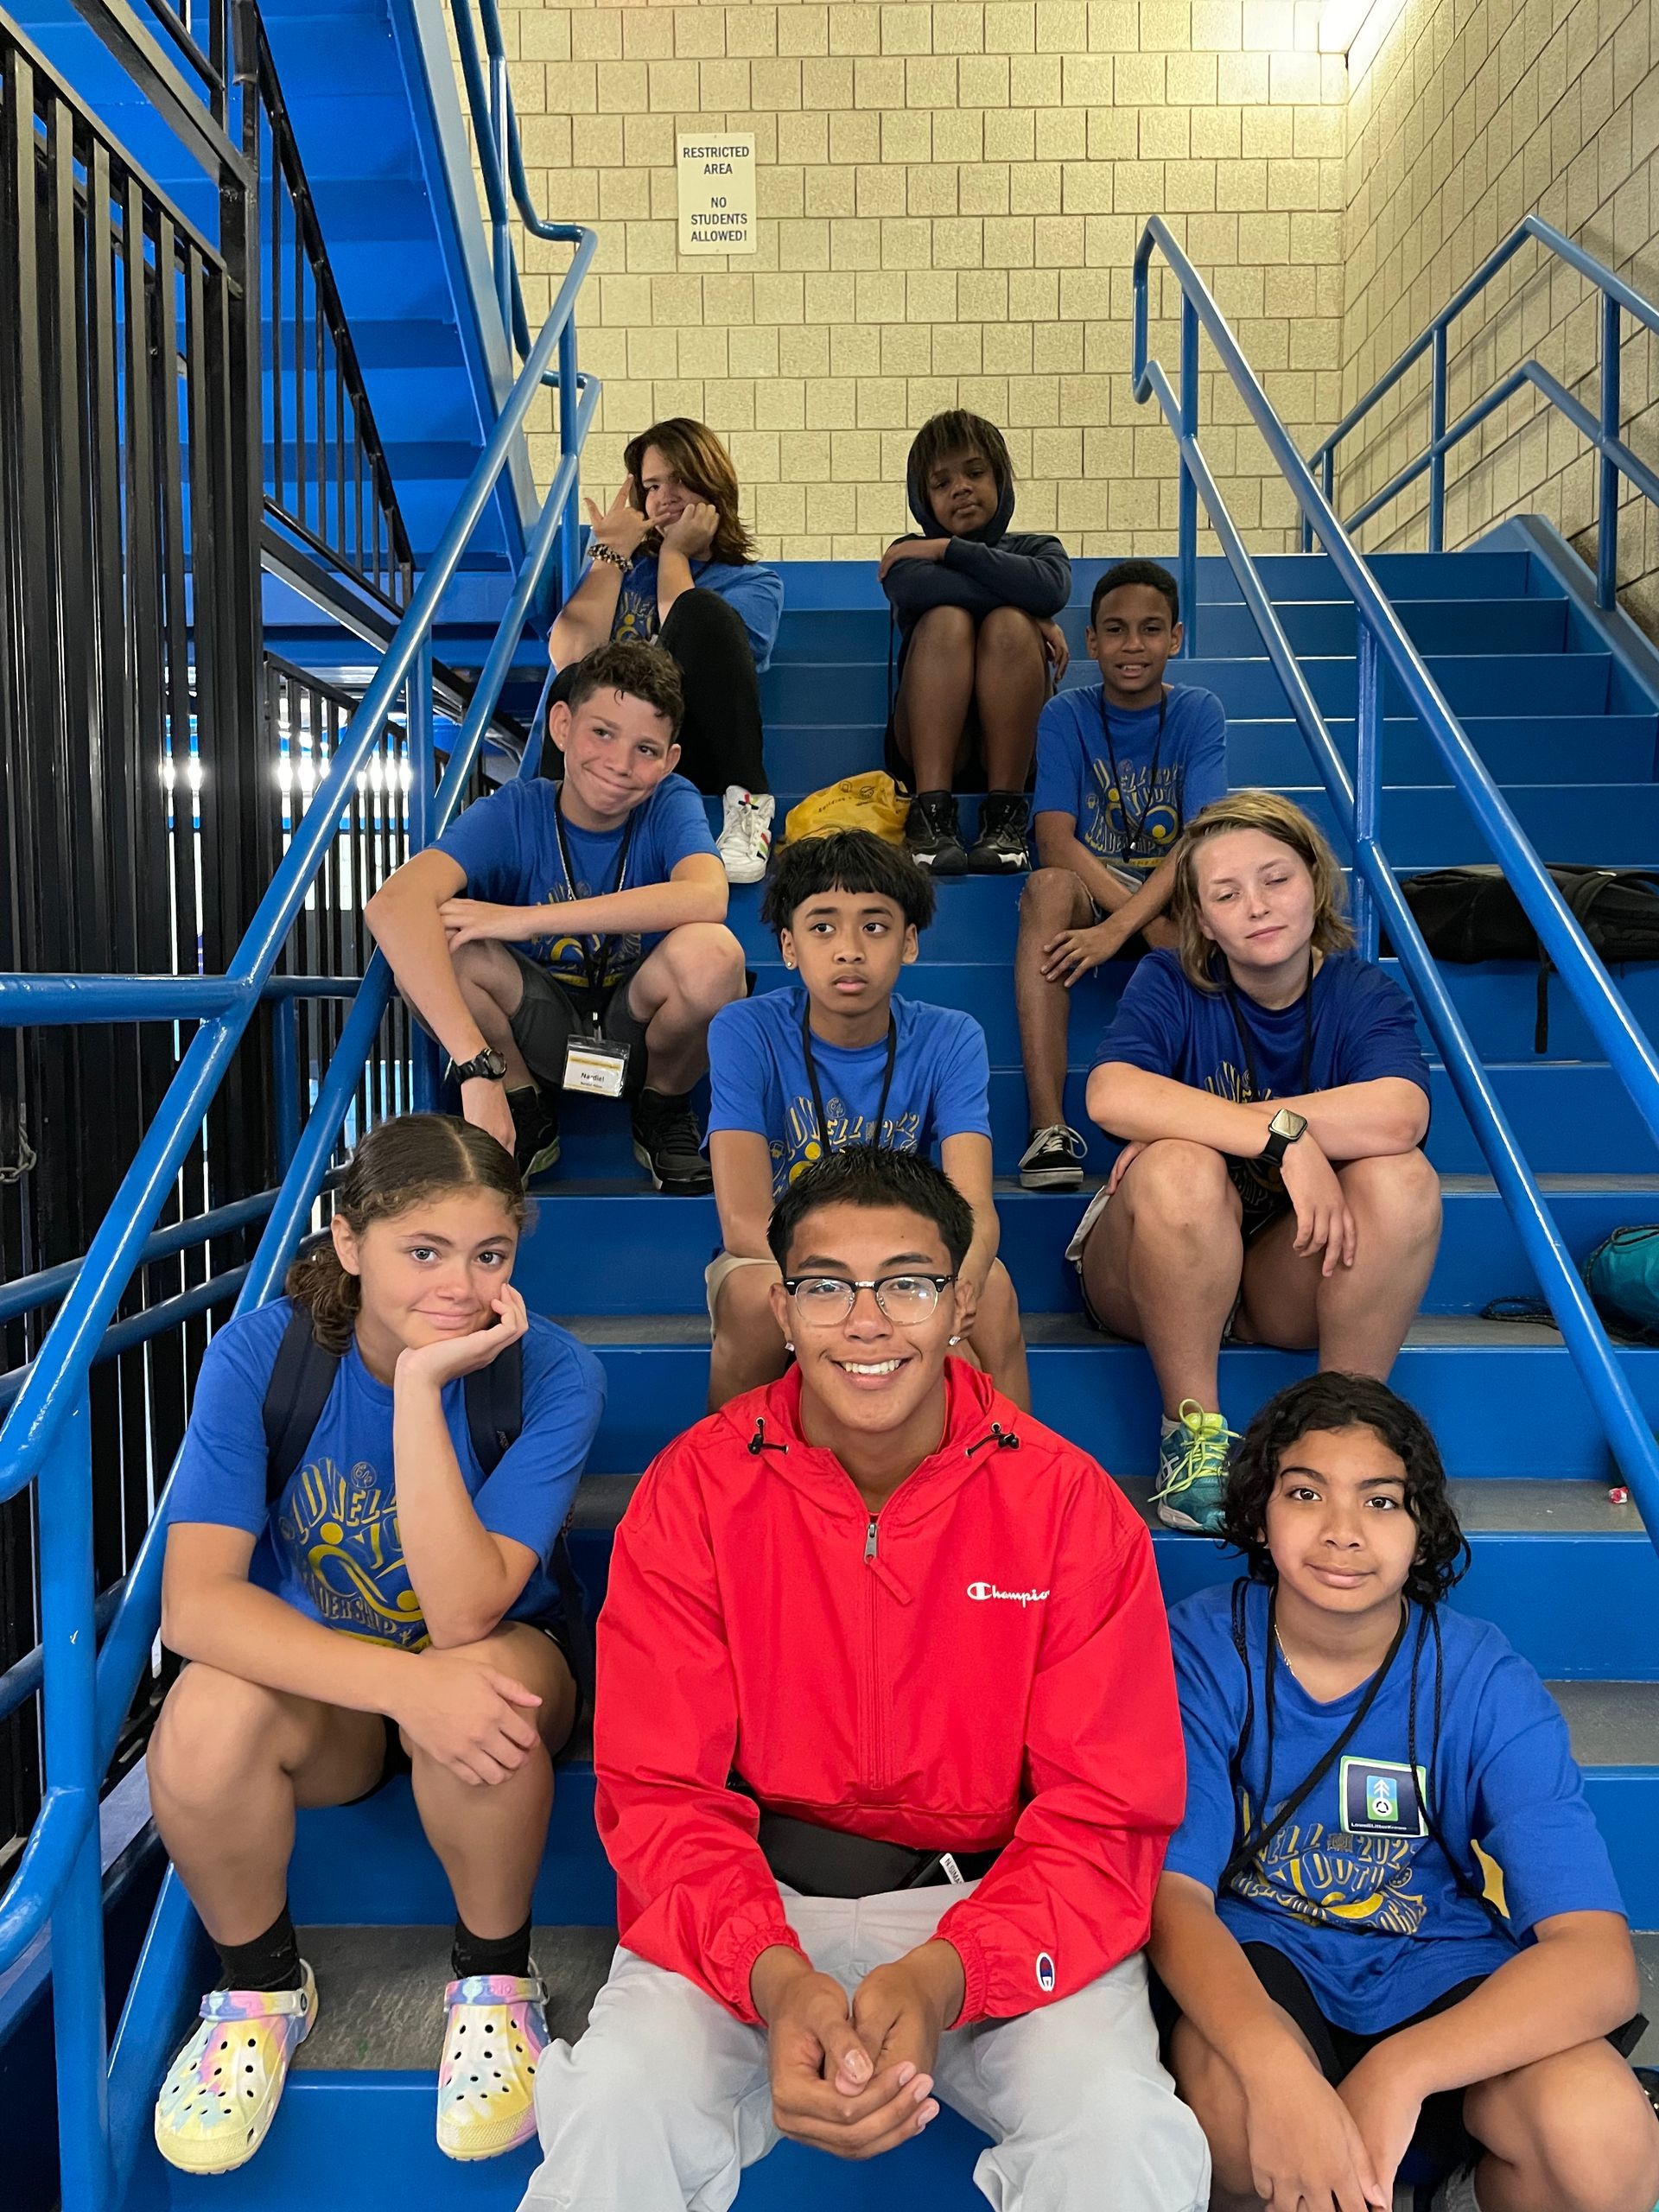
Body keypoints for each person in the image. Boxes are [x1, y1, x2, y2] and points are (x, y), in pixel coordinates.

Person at [516, 1147, 1209, 2212]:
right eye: (828, 1285)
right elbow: (660, 1795)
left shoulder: (1068, 1505)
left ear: (962, 1301)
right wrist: (772, 1972)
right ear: (783, 1310)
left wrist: (947, 1973)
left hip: (991, 1902)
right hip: (748, 1905)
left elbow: (1107, 1815)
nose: (869, 1320)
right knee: (611, 2105)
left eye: (909, 1281)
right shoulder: (692, 1492)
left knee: (1124, 2136)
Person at [149, 1115, 607, 2174]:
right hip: (340, 1694)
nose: (459, 1284)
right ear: (350, 1244)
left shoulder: (553, 1373)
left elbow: (464, 1613)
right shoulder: (263, 1355)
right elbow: (198, 1608)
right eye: (424, 1251)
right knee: (208, 1709)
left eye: (489, 1255)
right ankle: (259, 1989)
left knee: (477, 1682)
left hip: (503, 1653)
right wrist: (405, 1690)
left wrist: (417, 1386)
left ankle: (496, 1981)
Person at [1153, 1372, 1659, 2212]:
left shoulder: (1481, 1675)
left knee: (1604, 2138)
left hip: (1437, 1969)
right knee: (1235, 2107)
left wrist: (1400, 2069)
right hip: (1269, 1965)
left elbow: (1599, 1961)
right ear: (1260, 1511)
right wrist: (1282, 2074)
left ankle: (1446, 2187)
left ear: (1423, 1531)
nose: (1342, 1531)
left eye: (1382, 1501)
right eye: (1305, 1492)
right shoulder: (1207, 1648)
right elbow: (1175, 1900)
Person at [1071, 791, 1442, 1534]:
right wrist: (1285, 1140)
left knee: (1404, 1180)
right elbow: (1111, 1096)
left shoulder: (1361, 990)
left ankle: (1343, 1432)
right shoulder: (1169, 982)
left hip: (1283, 1270)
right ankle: (1194, 1440)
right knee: (1178, 1166)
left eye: (1276, 879)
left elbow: (1402, 1113)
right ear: (1203, 920)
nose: (1258, 906)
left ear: (1315, 880)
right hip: (1147, 1270)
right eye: (1226, 893)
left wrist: (1251, 1125)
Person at [365, 639, 747, 1198]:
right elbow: (393, 904)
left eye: (646, 749)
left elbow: (707, 897)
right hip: (537, 1032)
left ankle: (661, 1109)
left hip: (634, 1030)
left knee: (715, 953)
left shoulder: (670, 801)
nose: (619, 764)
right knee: (443, 941)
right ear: (561, 725)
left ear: (669, 762)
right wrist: (476, 1071)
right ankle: (524, 1107)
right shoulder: (514, 810)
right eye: (602, 733)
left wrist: (526, 921)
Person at [703, 829, 1028, 1411]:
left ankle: (1013, 1480)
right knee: (756, 1297)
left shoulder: (952, 1037)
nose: (849, 949)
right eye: (822, 926)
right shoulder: (744, 1030)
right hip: (775, 1252)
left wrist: (948, 1286)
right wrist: (851, 1283)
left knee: (994, 1286)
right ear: (788, 946)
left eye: (874, 927)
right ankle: (733, 1482)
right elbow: (741, 1220)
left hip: (906, 1252)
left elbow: (975, 1208)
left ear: (909, 943)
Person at [1016, 560, 1228, 1192]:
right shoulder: (1065, 716)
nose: (1132, 645)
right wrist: (1124, 926)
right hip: (1093, 889)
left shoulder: (1198, 712)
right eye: (1115, 630)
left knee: (1227, 897)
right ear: (1091, 642)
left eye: (1150, 629)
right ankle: (1048, 1128)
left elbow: (1201, 838)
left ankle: (1204, 1115)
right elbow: (1054, 839)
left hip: (1175, 886)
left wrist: (1135, 925)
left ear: (1177, 638)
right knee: (1046, 888)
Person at [548, 416, 785, 884]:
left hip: (690, 748)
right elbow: (571, 655)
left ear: (713, 483)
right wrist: (610, 554)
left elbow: (686, 645)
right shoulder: (623, 572)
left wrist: (675, 556)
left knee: (702, 610)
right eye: (653, 485)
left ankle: (750, 807)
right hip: (618, 748)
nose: (665, 496)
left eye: (680, 479)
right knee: (576, 682)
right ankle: (551, 829)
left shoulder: (754, 584)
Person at [880, 409, 1071, 877]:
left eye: (975, 472)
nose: (960, 488)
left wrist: (948, 549)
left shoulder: (1037, 550)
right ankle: (931, 817)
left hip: (1011, 748)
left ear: (1000, 480)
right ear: (924, 500)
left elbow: (1052, 588)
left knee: (1009, 625)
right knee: (947, 619)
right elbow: (915, 589)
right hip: (924, 746)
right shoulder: (908, 556)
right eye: (941, 483)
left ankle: (1006, 818)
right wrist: (1032, 610)